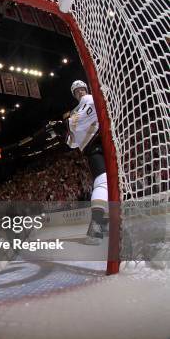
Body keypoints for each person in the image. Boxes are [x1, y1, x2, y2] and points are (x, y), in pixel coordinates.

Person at [60, 80, 108, 245]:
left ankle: (99, 226)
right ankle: (99, 226)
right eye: (77, 91)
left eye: (82, 89)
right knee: (104, 183)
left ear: (86, 89)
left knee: (105, 184)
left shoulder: (88, 100)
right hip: (96, 149)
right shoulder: (77, 110)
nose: (80, 92)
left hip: (102, 145)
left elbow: (71, 137)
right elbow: (71, 143)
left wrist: (66, 125)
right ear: (74, 94)